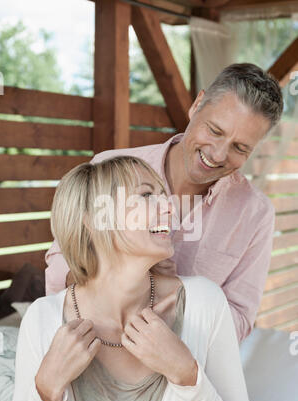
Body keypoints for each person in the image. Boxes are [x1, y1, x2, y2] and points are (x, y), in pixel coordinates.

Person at [7, 156, 253, 401]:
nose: (170, 206)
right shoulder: (43, 318)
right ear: (93, 220)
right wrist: (47, 389)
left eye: (164, 195)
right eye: (147, 195)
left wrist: (186, 373)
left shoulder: (204, 302)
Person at [45, 63, 284, 343]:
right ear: (196, 105)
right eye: (215, 131)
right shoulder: (107, 169)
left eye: (240, 147)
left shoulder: (256, 214)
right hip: (95, 347)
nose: (218, 154)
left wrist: (173, 303)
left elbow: (240, 322)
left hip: (185, 363)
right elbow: (61, 274)